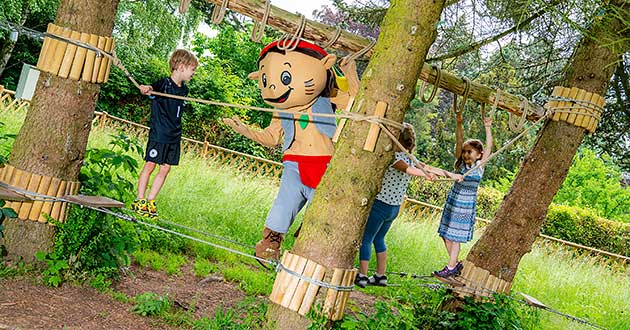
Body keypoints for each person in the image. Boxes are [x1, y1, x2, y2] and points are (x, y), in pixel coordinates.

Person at [223, 39, 359, 262]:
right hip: (293, 164)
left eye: (285, 78)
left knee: (320, 213)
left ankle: (306, 252)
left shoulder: (329, 96)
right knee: (283, 204)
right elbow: (272, 137)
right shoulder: (281, 108)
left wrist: (349, 74)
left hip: (324, 164)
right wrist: (245, 130)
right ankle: (269, 246)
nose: (275, 86)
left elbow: (358, 103)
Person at [355, 123, 460, 288]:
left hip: (381, 205)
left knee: (367, 238)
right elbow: (424, 167)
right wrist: (444, 174)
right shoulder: (410, 158)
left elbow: (409, 170)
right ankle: (380, 276)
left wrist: (428, 175)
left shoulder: (394, 157)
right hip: (394, 208)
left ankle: (362, 275)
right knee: (379, 239)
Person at [131, 49, 198, 219]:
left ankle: (150, 200)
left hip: (174, 135)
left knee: (166, 168)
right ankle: (140, 200)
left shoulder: (184, 90)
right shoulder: (164, 84)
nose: (193, 73)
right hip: (160, 133)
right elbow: (151, 88)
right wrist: (146, 89)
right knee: (150, 165)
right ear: (181, 67)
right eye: (193, 69)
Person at [433, 112, 493, 279]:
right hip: (454, 200)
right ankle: (455, 264)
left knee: (455, 236)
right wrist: (459, 123)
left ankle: (451, 266)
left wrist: (487, 127)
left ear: (479, 154)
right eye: (465, 152)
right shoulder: (461, 163)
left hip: (465, 204)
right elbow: (459, 142)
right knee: (445, 234)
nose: (466, 154)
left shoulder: (479, 166)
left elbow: (489, 148)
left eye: (470, 152)